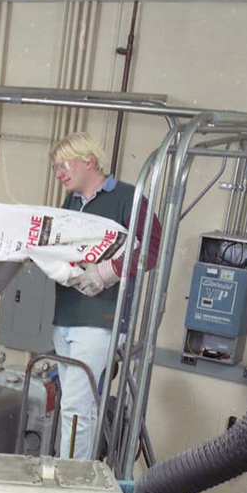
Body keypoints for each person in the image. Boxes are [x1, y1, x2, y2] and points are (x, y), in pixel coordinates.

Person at [49, 133, 161, 461]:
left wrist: (107, 272)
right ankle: (70, 472)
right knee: (73, 404)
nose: (58, 173)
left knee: (76, 407)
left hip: (102, 320)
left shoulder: (128, 196)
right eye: (55, 167)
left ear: (89, 162)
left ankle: (71, 480)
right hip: (67, 315)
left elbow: (153, 247)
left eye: (63, 165)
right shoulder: (71, 202)